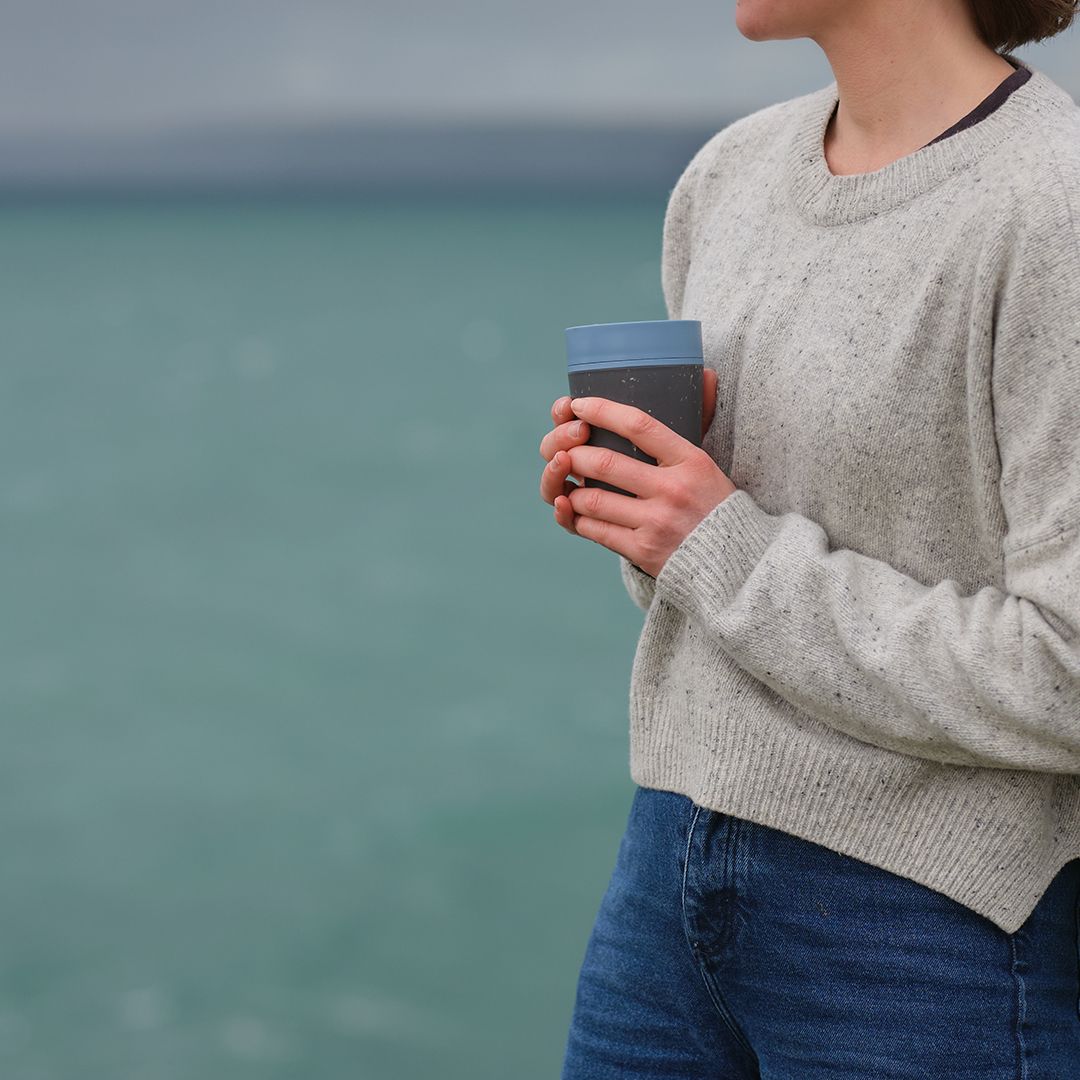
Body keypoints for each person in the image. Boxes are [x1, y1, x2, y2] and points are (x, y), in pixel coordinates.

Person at [539, 1, 1080, 1075]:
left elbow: (1067, 672)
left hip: (930, 924)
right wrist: (649, 526)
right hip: (666, 868)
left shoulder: (1055, 203)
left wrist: (721, 546)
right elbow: (718, 582)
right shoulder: (728, 176)